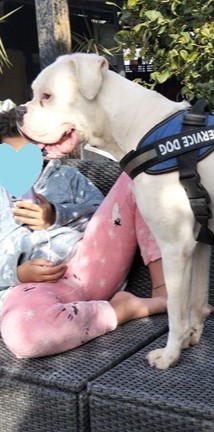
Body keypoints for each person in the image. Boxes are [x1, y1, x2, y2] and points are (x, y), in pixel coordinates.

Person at [0, 101, 167, 358]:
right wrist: (17, 273)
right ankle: (123, 310)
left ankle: (164, 291)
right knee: (26, 337)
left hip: (91, 264)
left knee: (137, 175)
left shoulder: (67, 177)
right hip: (33, 291)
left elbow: (106, 219)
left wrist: (55, 216)